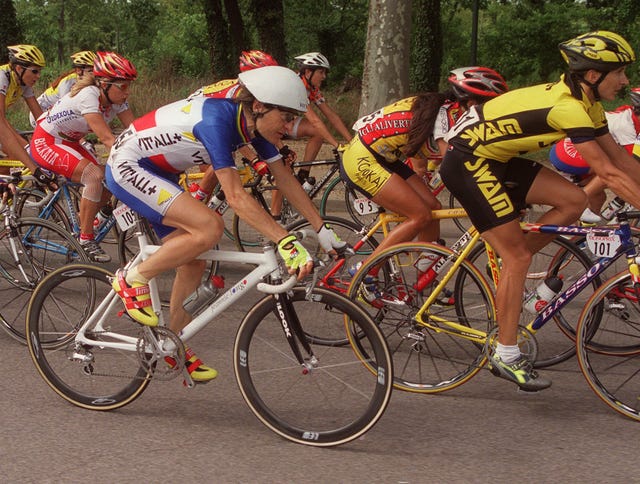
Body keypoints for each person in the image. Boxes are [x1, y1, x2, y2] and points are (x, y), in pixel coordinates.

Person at [105, 66, 346, 383]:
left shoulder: (253, 127)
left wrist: (321, 229)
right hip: (128, 165)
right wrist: (285, 241)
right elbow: (234, 196)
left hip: (161, 173)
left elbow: (285, 179)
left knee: (194, 260)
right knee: (209, 228)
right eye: (286, 118)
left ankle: (170, 342)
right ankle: (131, 279)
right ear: (259, 106)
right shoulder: (218, 120)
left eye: (293, 120)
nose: (289, 128)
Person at [440, 30, 640, 391]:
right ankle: (505, 353)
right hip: (468, 161)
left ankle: (508, 254)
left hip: (497, 158)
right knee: (517, 258)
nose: (626, 80)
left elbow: (623, 164)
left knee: (575, 201)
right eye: (620, 72)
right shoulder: (570, 108)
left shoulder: (588, 104)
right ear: (593, 75)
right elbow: (608, 174)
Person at [30, 51, 137, 262]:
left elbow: (134, 130)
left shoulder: (116, 99)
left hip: (70, 141)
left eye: (129, 86)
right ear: (104, 84)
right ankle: (85, 239)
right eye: (123, 86)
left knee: (109, 178)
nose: (127, 93)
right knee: (93, 176)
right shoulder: (89, 94)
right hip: (46, 140)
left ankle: (92, 220)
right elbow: (106, 138)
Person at [341, 93, 448, 268]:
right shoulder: (434, 118)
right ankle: (366, 273)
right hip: (362, 159)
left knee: (433, 207)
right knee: (420, 215)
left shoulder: (436, 107)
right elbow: (421, 166)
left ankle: (425, 280)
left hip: (383, 155)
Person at [549, 86, 640, 222]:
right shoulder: (626, 125)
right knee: (613, 170)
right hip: (568, 151)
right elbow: (628, 164)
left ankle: (585, 239)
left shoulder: (632, 118)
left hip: (576, 150)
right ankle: (580, 202)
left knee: (598, 198)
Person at [0, 44, 55, 185]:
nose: (38, 76)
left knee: (14, 156)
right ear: (19, 68)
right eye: (35, 71)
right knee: (18, 153)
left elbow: (41, 119)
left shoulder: (23, 83)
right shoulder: (2, 77)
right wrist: (32, 164)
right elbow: (1, 122)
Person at [29, 50, 97, 128]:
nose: (94, 75)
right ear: (79, 70)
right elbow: (65, 109)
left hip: (53, 112)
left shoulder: (85, 81)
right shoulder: (68, 82)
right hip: (41, 111)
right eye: (91, 71)